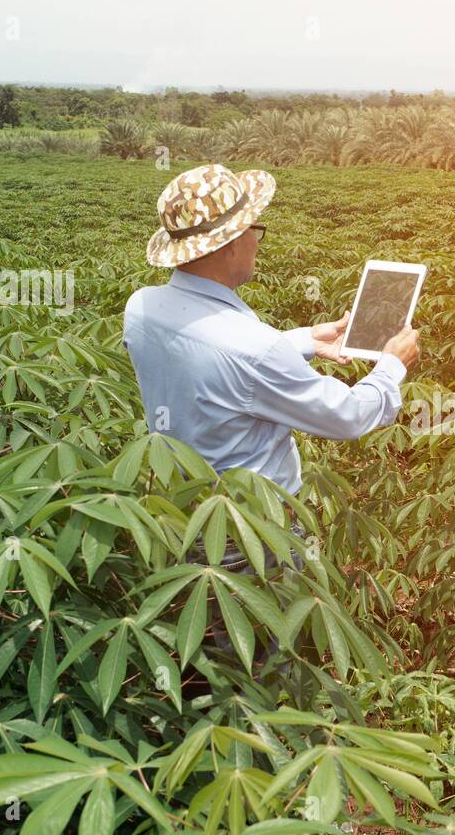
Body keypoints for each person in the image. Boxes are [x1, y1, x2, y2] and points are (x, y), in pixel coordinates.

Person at [122, 164, 420, 662]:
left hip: (181, 511)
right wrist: (390, 368)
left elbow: (209, 357)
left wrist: (306, 340)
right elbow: (346, 416)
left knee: (212, 648)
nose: (259, 241)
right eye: (255, 230)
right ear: (232, 241)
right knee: (272, 663)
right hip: (256, 529)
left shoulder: (144, 306)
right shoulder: (251, 350)